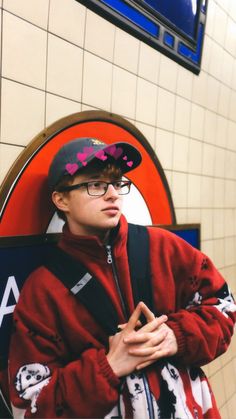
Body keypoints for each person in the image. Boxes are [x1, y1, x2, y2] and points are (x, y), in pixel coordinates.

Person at [8, 137, 236, 419]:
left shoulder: (163, 247)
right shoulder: (44, 290)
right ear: (61, 199)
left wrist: (176, 335)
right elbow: (29, 406)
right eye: (95, 184)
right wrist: (108, 367)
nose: (113, 194)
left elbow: (222, 306)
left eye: (117, 183)